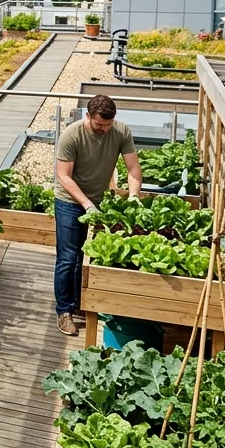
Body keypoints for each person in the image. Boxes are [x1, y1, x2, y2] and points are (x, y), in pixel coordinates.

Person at [54, 94, 141, 336]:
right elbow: (63, 175)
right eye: (99, 124)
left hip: (100, 199)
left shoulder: (121, 132)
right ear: (88, 116)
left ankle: (82, 303)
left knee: (89, 255)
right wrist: (86, 204)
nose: (104, 129)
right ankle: (64, 311)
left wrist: (133, 196)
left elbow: (133, 167)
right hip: (69, 201)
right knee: (68, 257)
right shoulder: (71, 136)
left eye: (108, 124)